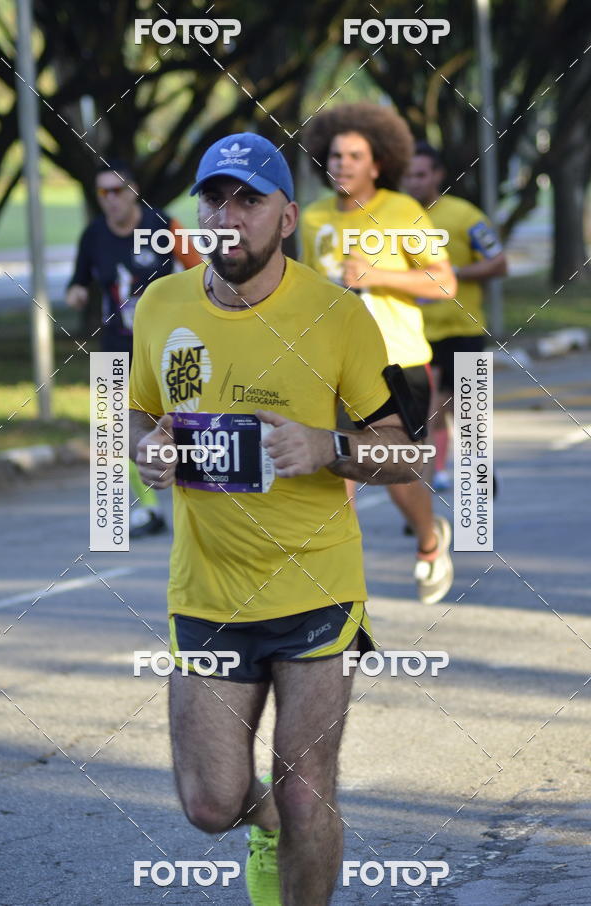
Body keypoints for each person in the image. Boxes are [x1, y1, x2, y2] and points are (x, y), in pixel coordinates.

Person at [129, 133, 429, 906]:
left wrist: (328, 446)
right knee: (208, 805)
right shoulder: (161, 305)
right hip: (207, 592)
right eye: (213, 199)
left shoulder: (338, 315)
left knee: (307, 791)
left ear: (286, 216)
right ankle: (263, 825)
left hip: (316, 589)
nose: (227, 217)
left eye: (248, 200)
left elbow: (407, 455)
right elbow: (131, 418)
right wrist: (146, 451)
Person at [301, 103, 456, 605]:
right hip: (331, 366)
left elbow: (444, 281)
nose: (341, 163)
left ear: (377, 163)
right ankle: (338, 582)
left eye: (354, 155)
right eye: (334, 155)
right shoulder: (314, 217)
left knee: (393, 470)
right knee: (337, 466)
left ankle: (430, 543)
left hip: (398, 362)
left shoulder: (401, 211)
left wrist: (378, 276)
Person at [66, 159, 201, 537]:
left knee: (182, 422)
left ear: (133, 191)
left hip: (167, 346)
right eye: (102, 192)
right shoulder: (93, 236)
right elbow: (79, 281)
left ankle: (206, 496)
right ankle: (146, 510)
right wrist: (75, 294)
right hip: (115, 346)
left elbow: (201, 272)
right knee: (113, 430)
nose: (110, 200)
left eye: (117, 191)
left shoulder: (163, 225)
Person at [404, 142, 507, 490]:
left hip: (464, 328)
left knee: (467, 411)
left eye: (420, 174)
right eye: (408, 175)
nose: (414, 182)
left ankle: (478, 473)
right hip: (417, 334)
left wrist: (455, 275)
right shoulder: (393, 219)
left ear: (437, 175)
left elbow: (499, 262)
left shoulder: (466, 216)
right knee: (428, 411)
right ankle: (430, 486)